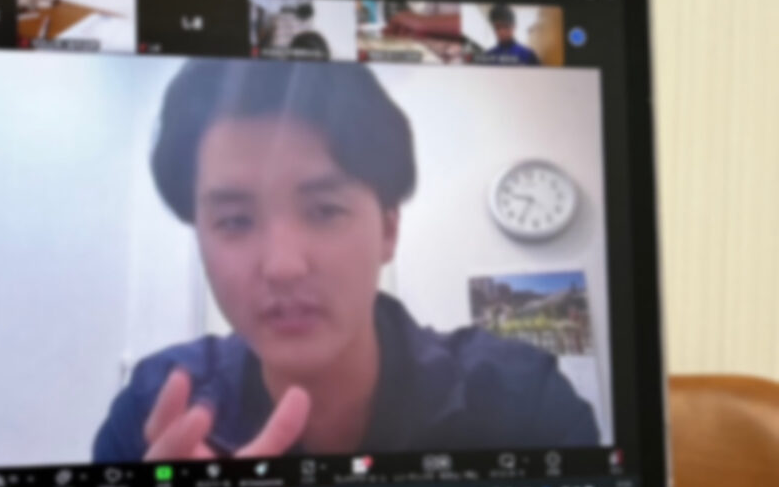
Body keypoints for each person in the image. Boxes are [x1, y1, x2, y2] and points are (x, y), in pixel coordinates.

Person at [92, 59, 598, 462]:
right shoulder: (151, 414)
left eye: (324, 211)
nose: (283, 266)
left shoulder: (523, 405)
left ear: (388, 229)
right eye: (235, 220)